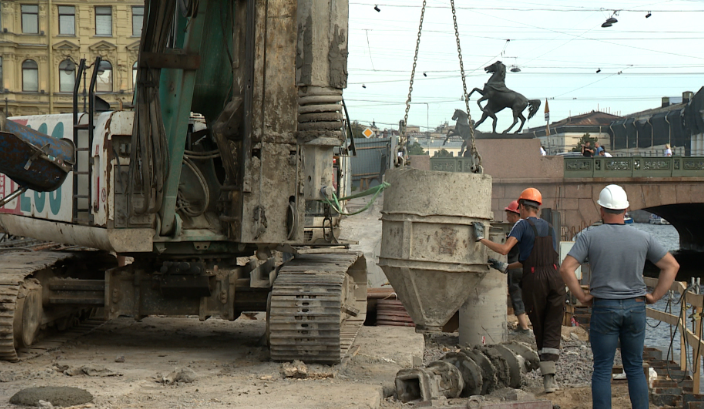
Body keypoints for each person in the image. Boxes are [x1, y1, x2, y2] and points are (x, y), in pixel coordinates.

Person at [560, 185, 679, 409]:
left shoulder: (589, 236)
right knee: (634, 367)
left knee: (603, 368)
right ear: (626, 209)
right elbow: (672, 266)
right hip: (635, 307)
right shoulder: (643, 237)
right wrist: (654, 296)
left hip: (604, 307)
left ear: (601, 210)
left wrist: (583, 297)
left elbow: (566, 269)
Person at [473, 188, 565, 393]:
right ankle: (551, 376)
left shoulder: (521, 224)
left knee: (540, 325)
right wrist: (507, 267)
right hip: (555, 278)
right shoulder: (550, 227)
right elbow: (535, 259)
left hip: (535, 281)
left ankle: (548, 380)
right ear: (538, 207)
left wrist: (481, 240)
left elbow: (505, 249)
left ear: (522, 207)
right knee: (553, 325)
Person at [504, 200, 530, 334]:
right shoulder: (527, 227)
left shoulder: (515, 229)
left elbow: (506, 249)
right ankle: (525, 325)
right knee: (525, 296)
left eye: (508, 214)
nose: (506, 217)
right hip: (525, 267)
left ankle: (524, 327)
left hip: (514, 266)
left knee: (516, 295)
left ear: (514, 215)